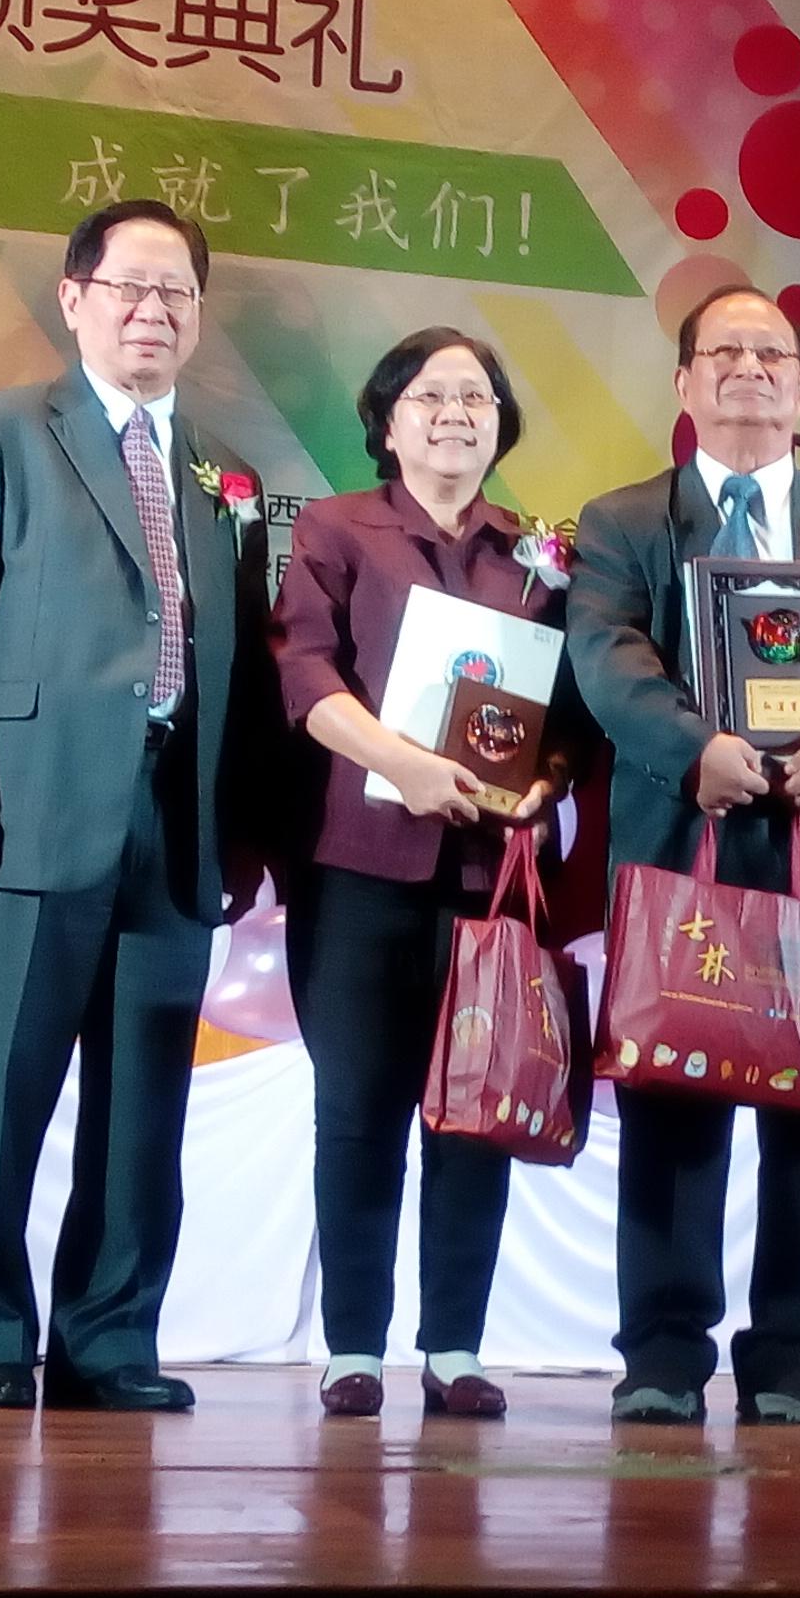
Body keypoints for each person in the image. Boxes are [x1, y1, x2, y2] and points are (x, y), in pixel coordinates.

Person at [0, 199, 279, 1413]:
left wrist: (245, 828)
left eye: (175, 293)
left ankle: (109, 1339)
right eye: (129, 287)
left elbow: (248, 672)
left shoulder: (224, 478)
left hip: (173, 827)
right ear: (73, 299)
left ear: (199, 317)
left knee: (139, 1115)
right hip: (21, 813)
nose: (151, 312)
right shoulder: (4, 432)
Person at [565, 286, 800, 1426]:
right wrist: (695, 751)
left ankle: (792, 1355)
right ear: (683, 384)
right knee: (675, 1111)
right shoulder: (627, 520)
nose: (747, 369)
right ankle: (665, 1356)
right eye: (722, 351)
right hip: (690, 845)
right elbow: (605, 653)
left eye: (769, 353)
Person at [275, 330, 594, 1421]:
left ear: (501, 422)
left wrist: (547, 780)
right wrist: (401, 764)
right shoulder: (334, 531)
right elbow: (303, 670)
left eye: (476, 397)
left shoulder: (541, 554)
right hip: (359, 865)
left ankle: (454, 1345)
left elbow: (572, 711)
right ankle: (354, 1346)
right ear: (388, 418)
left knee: (476, 1109)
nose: (455, 412)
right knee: (356, 1111)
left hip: (489, 879)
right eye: (430, 395)